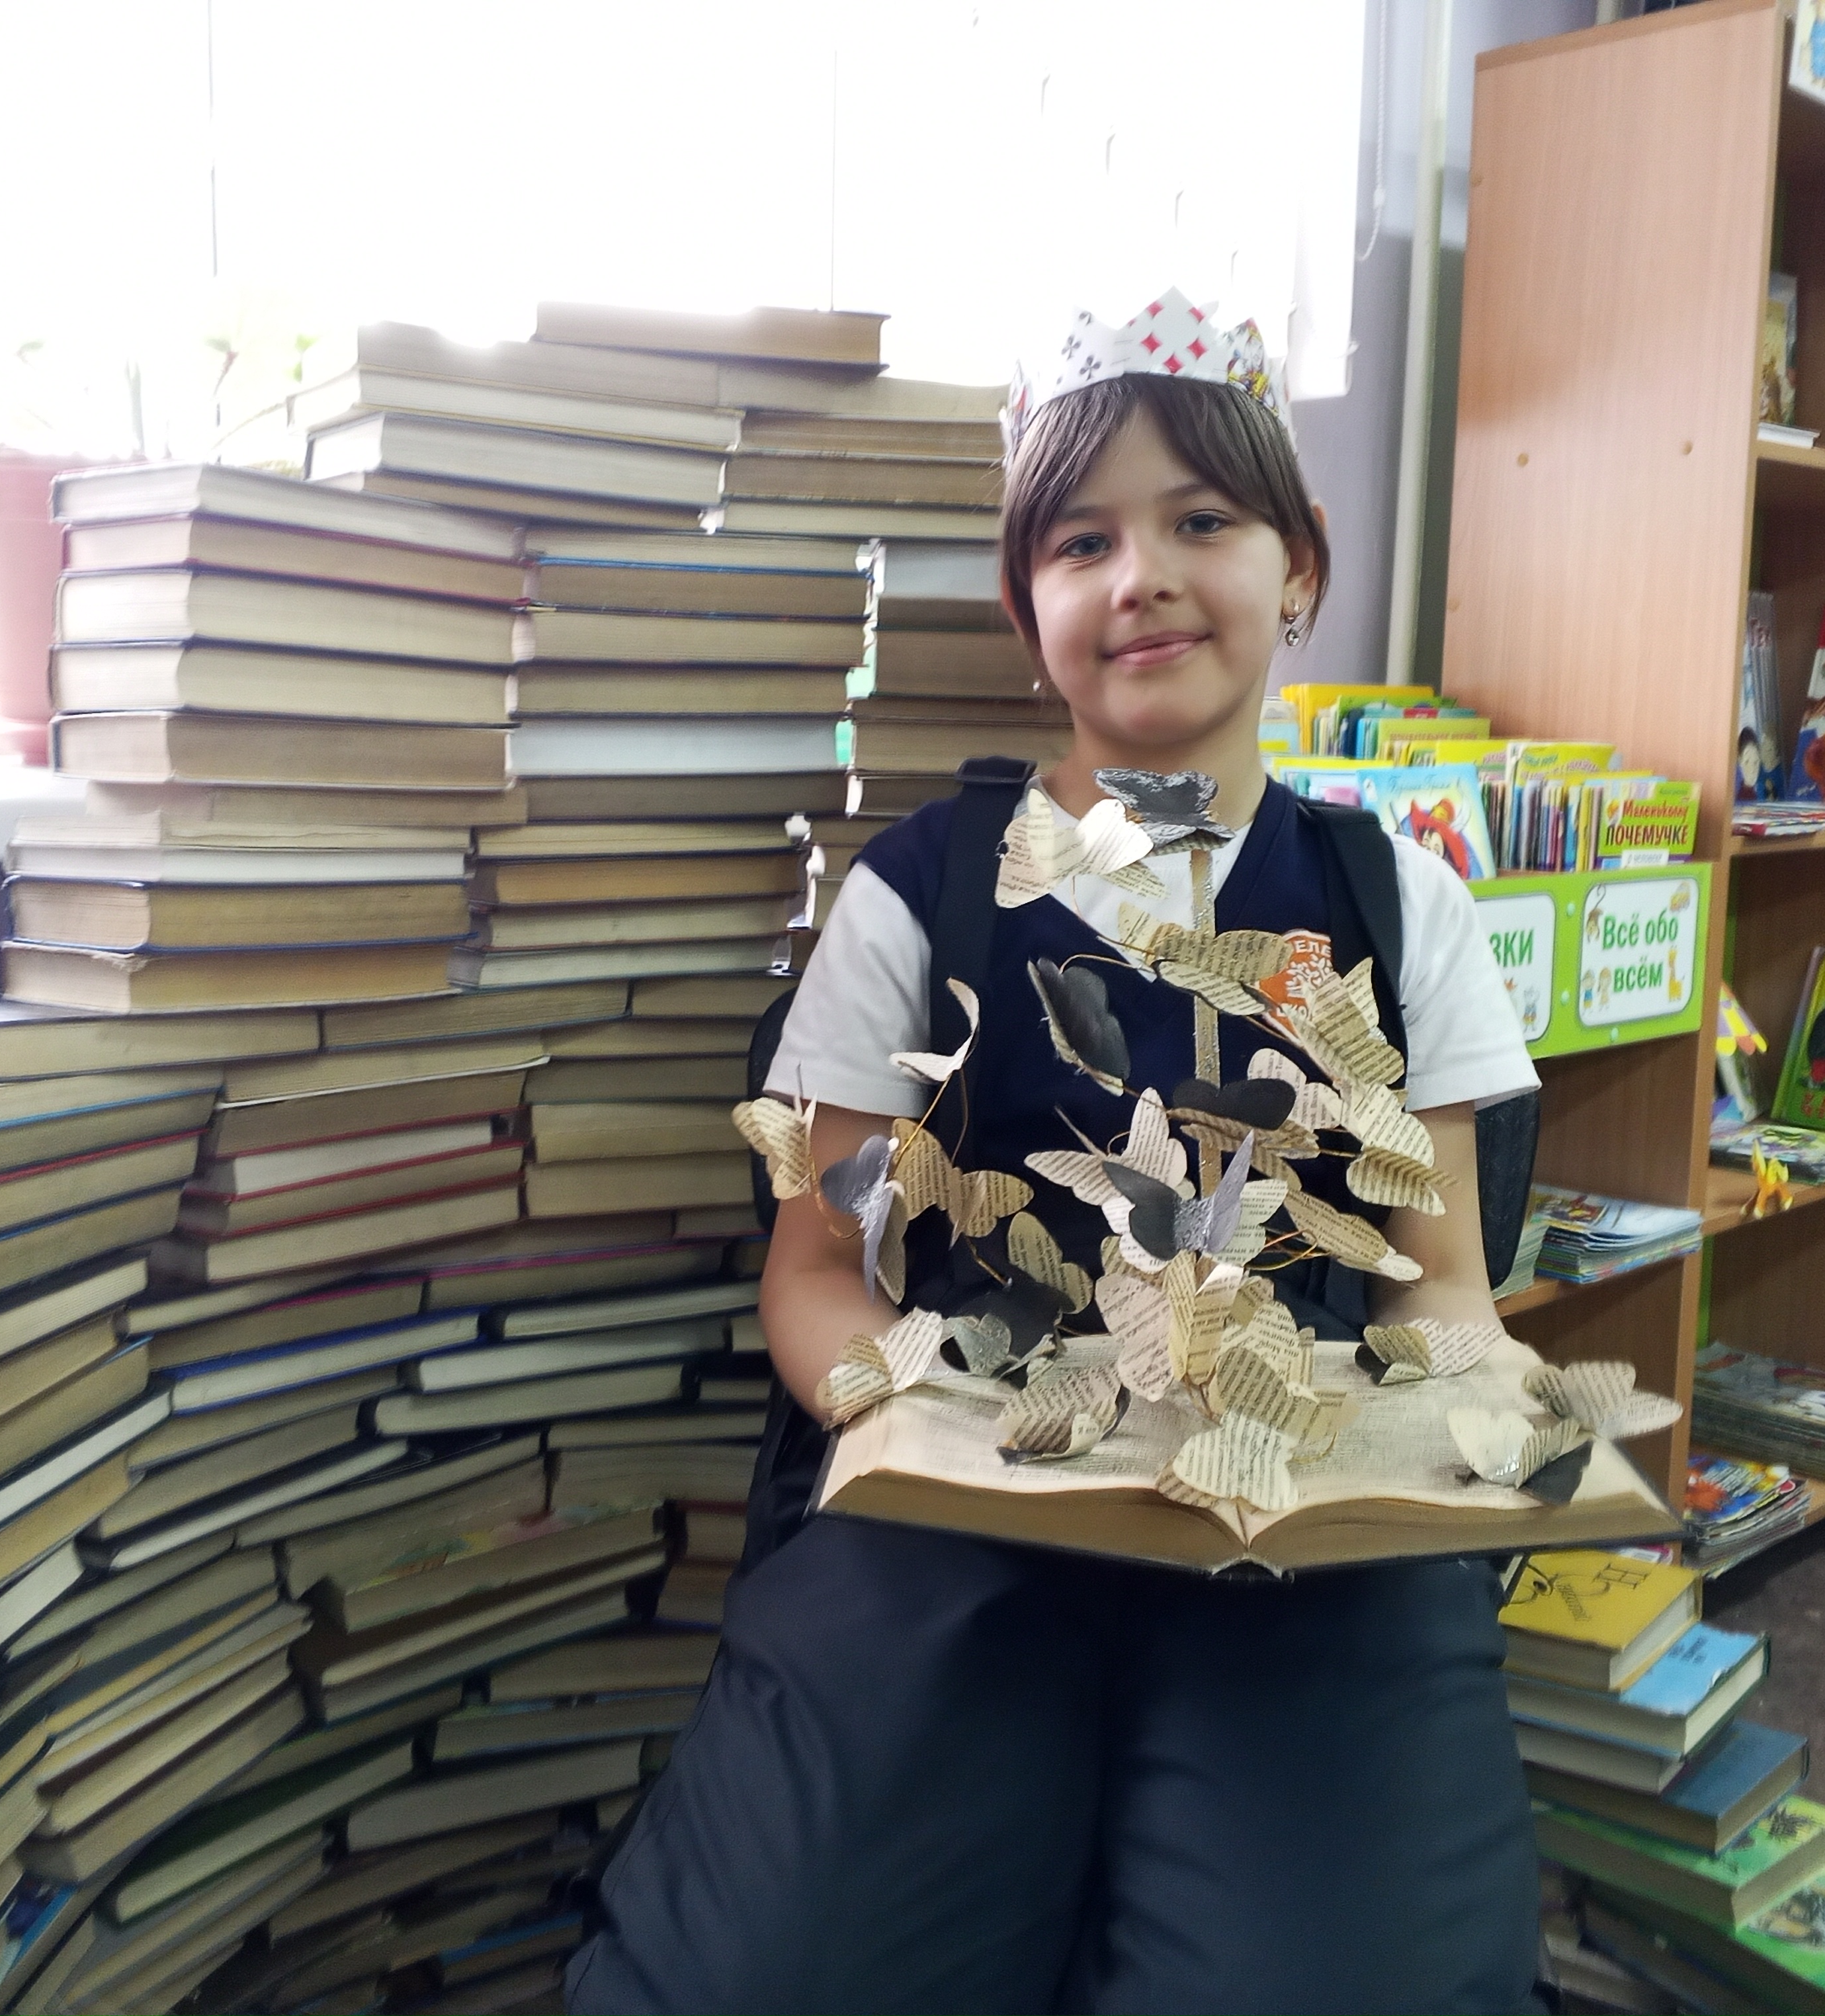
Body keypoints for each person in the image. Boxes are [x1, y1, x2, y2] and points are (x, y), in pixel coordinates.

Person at [566, 291, 1545, 2016]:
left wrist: (1465, 1430)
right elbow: (818, 1274)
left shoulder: (1401, 908)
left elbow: (1439, 1286)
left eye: (1203, 521)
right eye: (1082, 542)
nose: (1141, 576)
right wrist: (914, 1419)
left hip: (1294, 1519)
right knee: (763, 1978)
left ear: (1301, 567)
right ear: (1031, 611)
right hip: (962, 1504)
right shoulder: (919, 895)